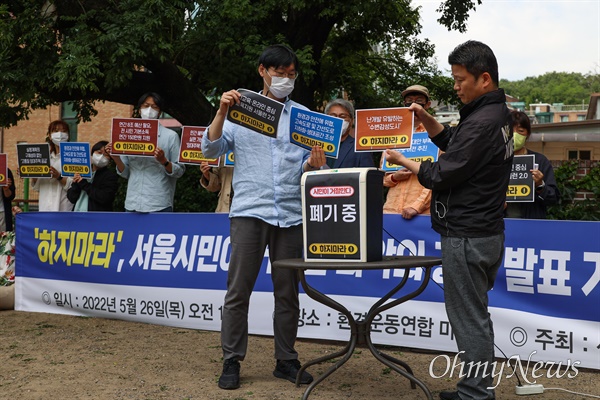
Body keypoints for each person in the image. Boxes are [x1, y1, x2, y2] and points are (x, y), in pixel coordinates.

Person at [385, 41, 513, 400]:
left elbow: (442, 173)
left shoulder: (483, 122)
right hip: (486, 231)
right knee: (476, 314)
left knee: (468, 318)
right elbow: (455, 143)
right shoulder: (496, 113)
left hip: (466, 234)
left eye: (460, 80)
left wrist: (402, 160)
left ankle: (475, 394)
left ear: (484, 79)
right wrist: (427, 120)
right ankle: (475, 388)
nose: (455, 86)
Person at [201, 44, 326, 391]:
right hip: (249, 211)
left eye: (291, 74)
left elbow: (307, 165)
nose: (285, 79)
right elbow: (210, 149)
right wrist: (221, 112)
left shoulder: (303, 116)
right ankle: (231, 359)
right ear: (262, 71)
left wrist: (313, 165)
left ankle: (286, 359)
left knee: (287, 292)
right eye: (279, 72)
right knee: (238, 290)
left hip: (290, 213)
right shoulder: (241, 109)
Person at [106, 92, 185, 212]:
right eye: (145, 105)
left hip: (159, 204)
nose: (149, 110)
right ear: (139, 109)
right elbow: (126, 173)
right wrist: (115, 157)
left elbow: (179, 171)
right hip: (132, 203)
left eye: (154, 107)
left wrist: (164, 161)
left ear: (159, 112)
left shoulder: (171, 136)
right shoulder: (128, 135)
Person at [383, 85, 433, 219]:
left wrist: (417, 206)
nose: (413, 105)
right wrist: (394, 177)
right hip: (391, 211)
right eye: (409, 101)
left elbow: (438, 177)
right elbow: (384, 179)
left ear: (427, 105)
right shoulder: (392, 136)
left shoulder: (434, 135)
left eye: (419, 101)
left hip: (422, 215)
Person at [505, 110, 559, 219]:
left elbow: (553, 198)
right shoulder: (494, 162)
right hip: (500, 226)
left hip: (532, 224)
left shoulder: (540, 161)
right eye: (511, 130)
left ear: (527, 134)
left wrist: (540, 185)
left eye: (520, 131)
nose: (515, 135)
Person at [31, 120, 74, 211]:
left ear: (68, 135)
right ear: (50, 136)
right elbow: (37, 186)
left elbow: (74, 185)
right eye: (56, 131)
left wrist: (58, 176)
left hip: (64, 207)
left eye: (63, 131)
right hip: (45, 206)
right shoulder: (44, 158)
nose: (60, 134)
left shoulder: (73, 157)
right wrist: (30, 173)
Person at [67, 140, 119, 211]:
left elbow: (104, 198)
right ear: (92, 154)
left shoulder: (110, 176)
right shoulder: (83, 171)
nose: (101, 156)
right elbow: (71, 198)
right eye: (99, 152)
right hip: (77, 216)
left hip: (96, 218)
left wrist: (83, 183)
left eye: (106, 155)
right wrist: (76, 184)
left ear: (110, 159)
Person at [324, 99, 374, 168]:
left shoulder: (360, 150)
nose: (338, 120)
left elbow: (367, 176)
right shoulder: (316, 146)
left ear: (351, 121)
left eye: (343, 116)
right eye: (333, 116)